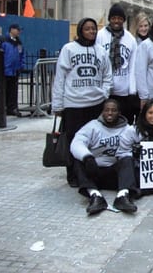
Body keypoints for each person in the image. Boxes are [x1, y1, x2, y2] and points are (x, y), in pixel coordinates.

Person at [52, 17, 112, 187]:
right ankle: (73, 175)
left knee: (93, 142)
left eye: (93, 29)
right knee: (73, 142)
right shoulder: (69, 49)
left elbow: (108, 74)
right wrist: (57, 104)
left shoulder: (100, 51)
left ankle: (89, 173)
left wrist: (104, 92)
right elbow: (60, 78)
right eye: (87, 29)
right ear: (80, 31)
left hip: (95, 103)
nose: (91, 31)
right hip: (74, 104)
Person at [70, 99, 138, 215]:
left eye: (114, 110)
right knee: (78, 160)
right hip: (94, 171)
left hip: (115, 174)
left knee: (128, 159)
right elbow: (76, 143)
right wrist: (87, 157)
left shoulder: (127, 129)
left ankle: (122, 196)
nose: (110, 113)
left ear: (119, 113)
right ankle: (95, 196)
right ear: (102, 112)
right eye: (107, 110)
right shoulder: (92, 126)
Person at [96, 4, 138, 123]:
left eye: (119, 18)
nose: (116, 21)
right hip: (104, 91)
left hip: (123, 91)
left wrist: (132, 91)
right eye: (114, 18)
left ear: (123, 20)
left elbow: (132, 67)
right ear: (109, 19)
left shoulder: (130, 39)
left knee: (124, 122)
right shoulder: (100, 36)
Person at [0, 23, 25, 116]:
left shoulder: (18, 42)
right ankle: (3, 108)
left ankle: (12, 108)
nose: (19, 32)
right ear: (12, 30)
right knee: (4, 90)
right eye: (17, 30)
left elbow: (22, 54)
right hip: (5, 70)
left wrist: (21, 65)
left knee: (13, 90)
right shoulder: (3, 41)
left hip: (15, 70)